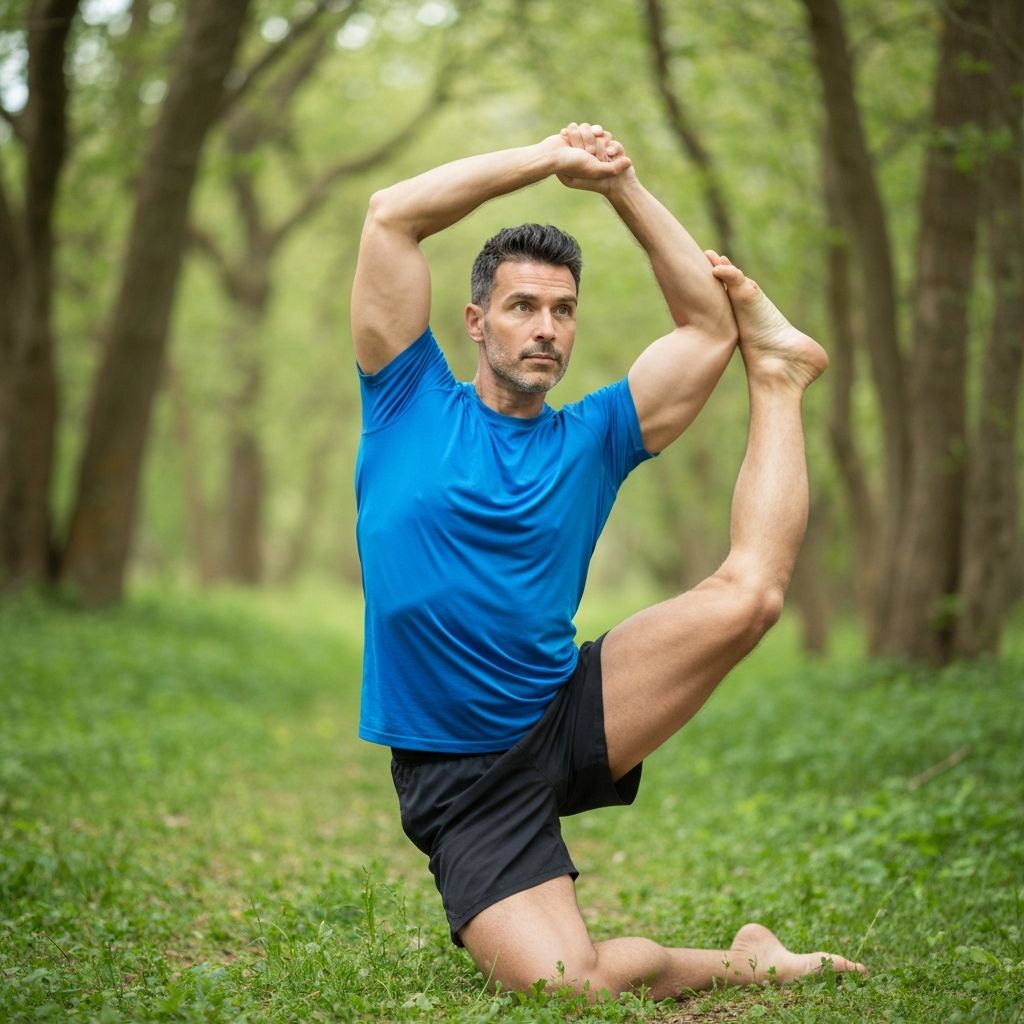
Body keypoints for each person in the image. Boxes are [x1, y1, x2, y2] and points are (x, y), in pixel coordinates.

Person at [351, 121, 866, 1000]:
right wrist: (552, 159)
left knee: (751, 599)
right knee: (565, 985)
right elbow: (392, 216)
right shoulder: (405, 398)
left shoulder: (593, 437)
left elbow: (707, 327)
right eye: (522, 307)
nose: (545, 329)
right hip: (457, 778)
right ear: (475, 322)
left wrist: (620, 185)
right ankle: (750, 964)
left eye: (562, 311)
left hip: (566, 711)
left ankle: (783, 377)